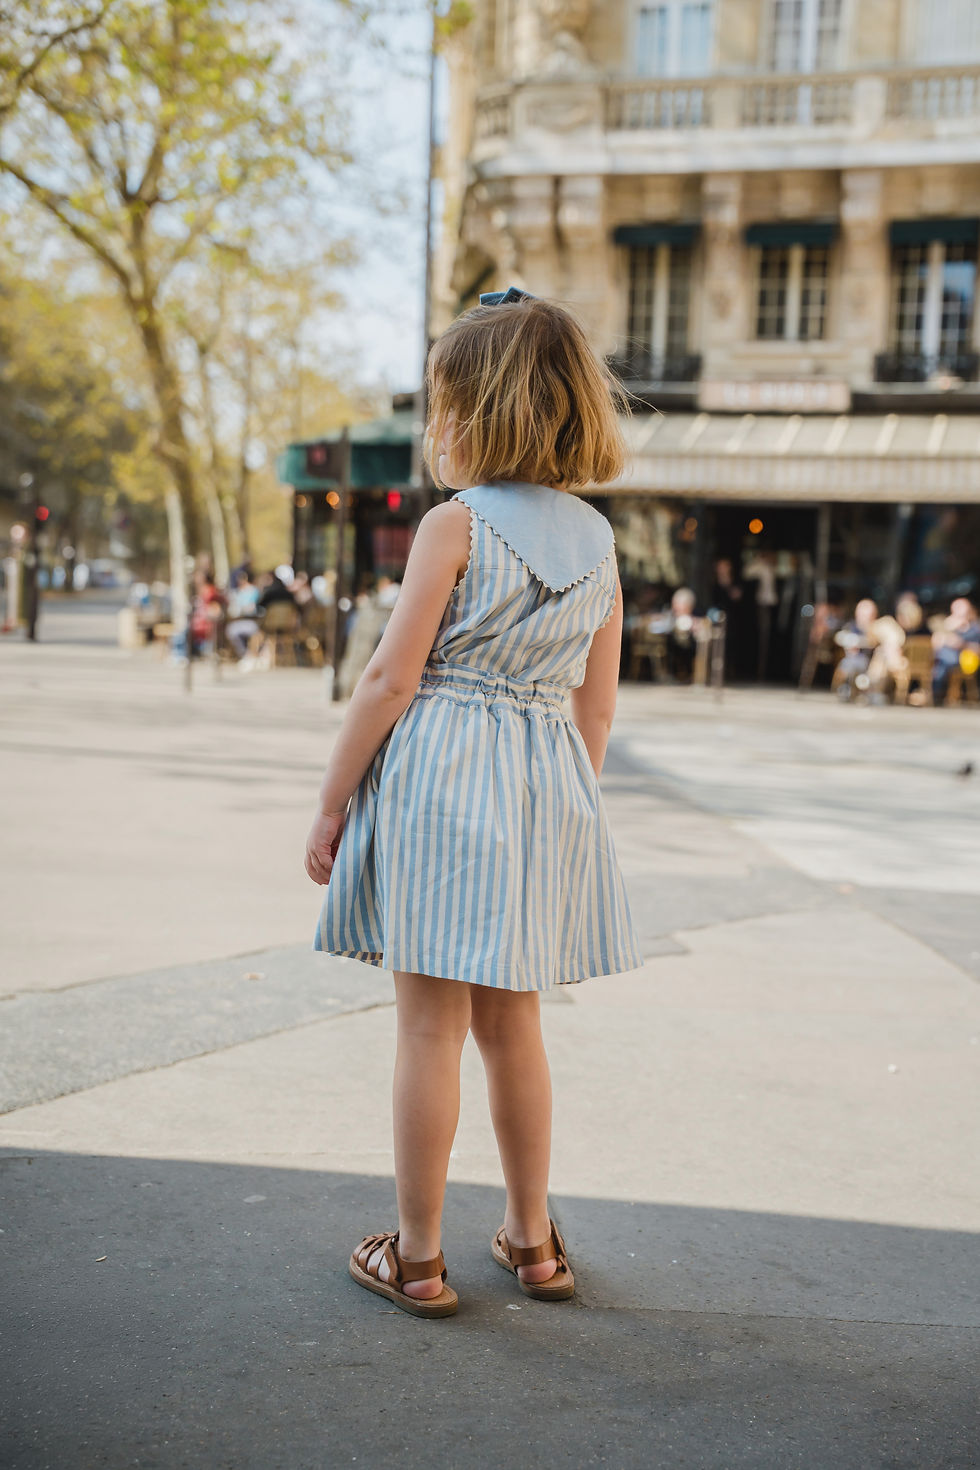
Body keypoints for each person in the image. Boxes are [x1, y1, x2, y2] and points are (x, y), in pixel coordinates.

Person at [304, 290, 642, 1319]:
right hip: (544, 791)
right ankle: (533, 1243)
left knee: (424, 1031)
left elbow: (388, 682)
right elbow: (595, 711)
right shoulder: (597, 543)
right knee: (515, 1028)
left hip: (442, 782)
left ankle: (414, 1256)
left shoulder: (453, 526)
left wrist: (331, 803)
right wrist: (558, 810)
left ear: (469, 411)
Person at [932, 597, 980, 704]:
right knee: (942, 658)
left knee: (941, 660)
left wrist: (962, 645)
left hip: (965, 661)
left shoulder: (975, 628)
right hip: (947, 660)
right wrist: (948, 628)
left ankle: (936, 694)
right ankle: (936, 694)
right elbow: (935, 643)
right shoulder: (948, 626)